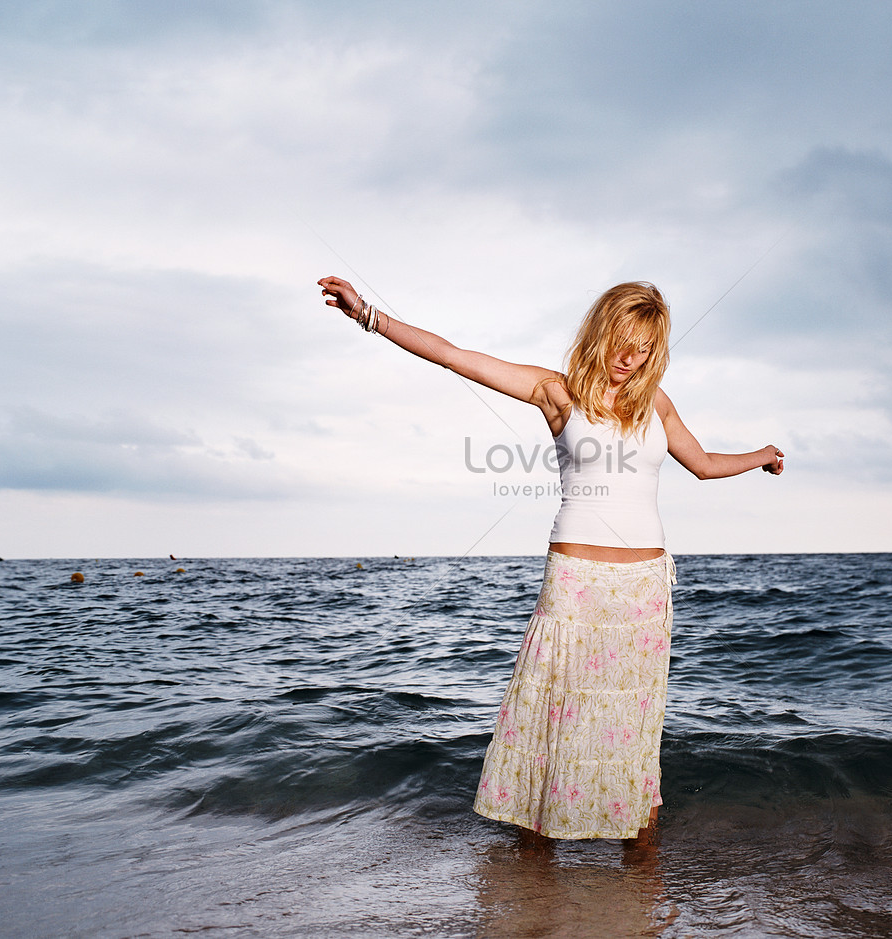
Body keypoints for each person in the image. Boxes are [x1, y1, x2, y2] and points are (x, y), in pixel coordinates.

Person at [317, 276, 783, 846]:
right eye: (621, 341)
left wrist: (761, 456)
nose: (628, 359)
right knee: (553, 716)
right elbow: (454, 356)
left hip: (644, 589)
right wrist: (369, 315)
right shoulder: (556, 391)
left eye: (643, 349)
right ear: (601, 332)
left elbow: (704, 464)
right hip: (576, 583)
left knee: (632, 727)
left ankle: (638, 884)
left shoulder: (656, 403)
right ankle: (535, 884)